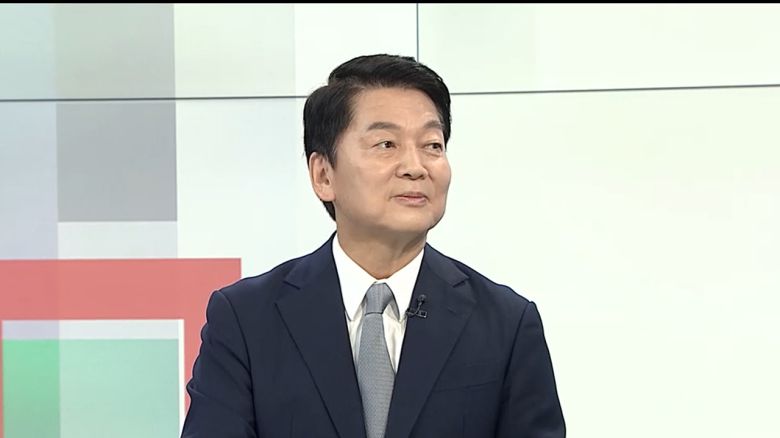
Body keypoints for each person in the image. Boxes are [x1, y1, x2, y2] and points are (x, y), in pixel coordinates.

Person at [181, 54, 565, 438]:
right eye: (386, 144)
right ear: (323, 175)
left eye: (432, 145)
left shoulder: (507, 325)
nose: (415, 166)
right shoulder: (245, 320)